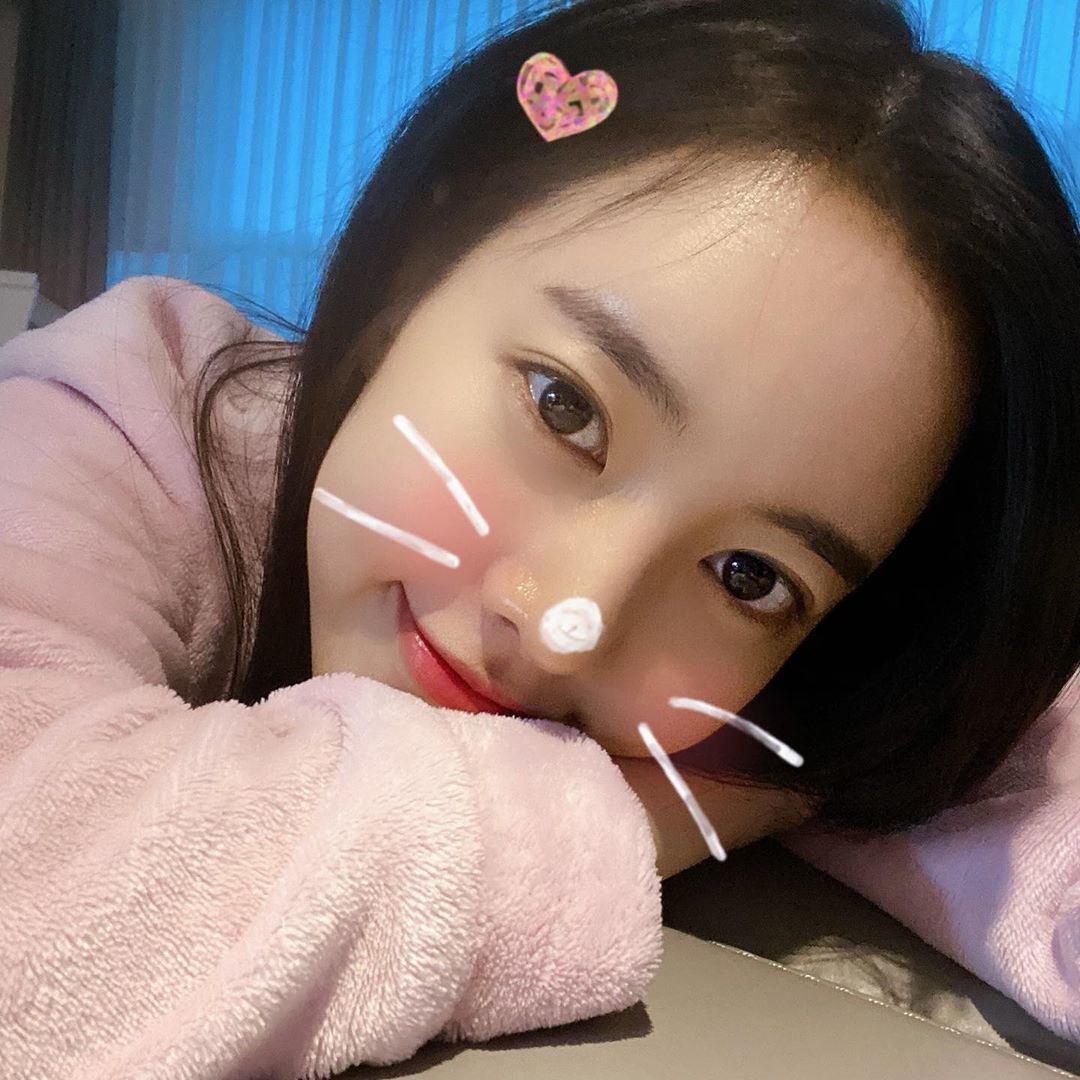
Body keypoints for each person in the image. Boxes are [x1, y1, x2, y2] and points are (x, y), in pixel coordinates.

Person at [3, 0, 1079, 1075]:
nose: (573, 623)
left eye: (749, 577)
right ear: (420, 262)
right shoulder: (122, 415)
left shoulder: (777, 713)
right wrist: (631, 815)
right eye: (566, 407)